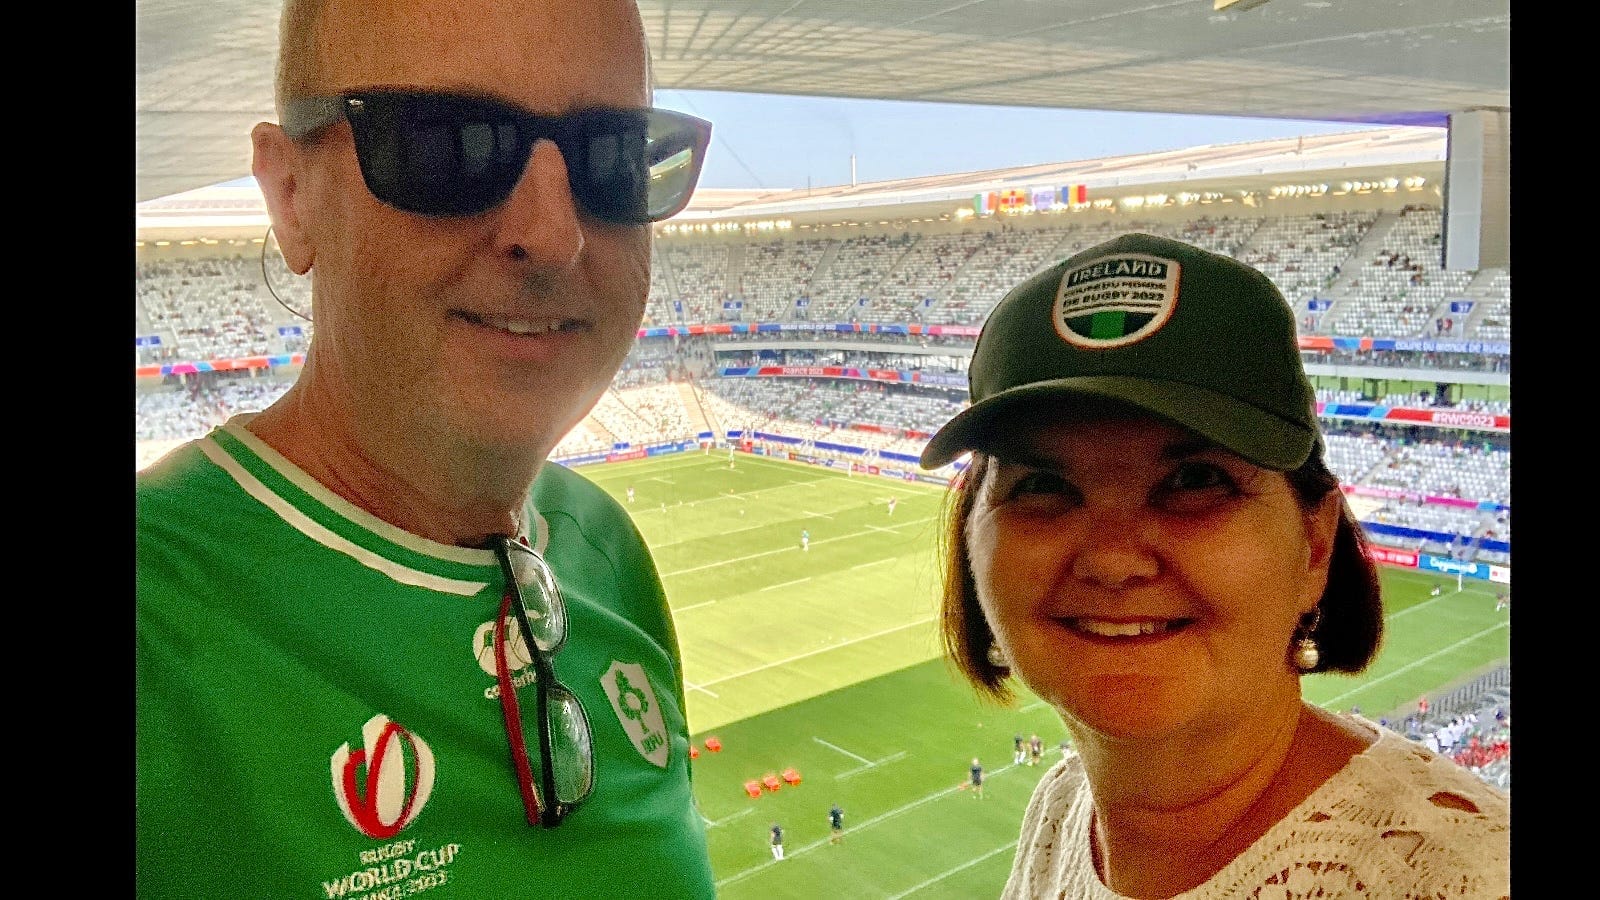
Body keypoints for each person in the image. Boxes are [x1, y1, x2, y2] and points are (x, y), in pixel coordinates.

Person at [135, 1, 717, 896]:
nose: (553, 236)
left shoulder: (604, 552)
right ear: (291, 195)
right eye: (449, 146)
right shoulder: (157, 614)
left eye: (613, 157)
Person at [920, 233, 1509, 898]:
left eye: (1195, 480)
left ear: (1314, 546)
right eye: (1042, 485)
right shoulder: (1062, 808)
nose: (1113, 560)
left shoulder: (1469, 877)